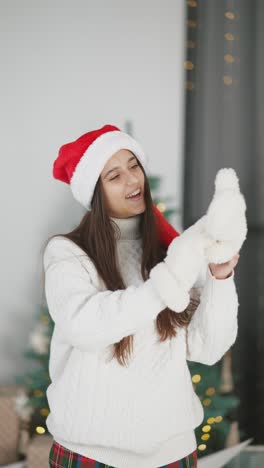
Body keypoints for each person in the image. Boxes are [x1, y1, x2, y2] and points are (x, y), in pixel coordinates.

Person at [43, 124, 245, 468]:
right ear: (95, 190)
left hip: (171, 451)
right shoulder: (67, 252)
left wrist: (220, 277)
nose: (133, 181)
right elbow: (85, 325)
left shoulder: (173, 251)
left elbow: (208, 348)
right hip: (90, 451)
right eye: (115, 175)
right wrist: (167, 283)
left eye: (134, 166)